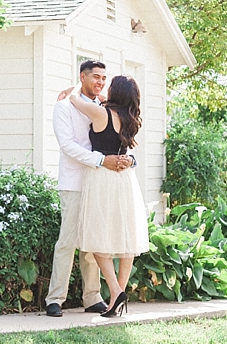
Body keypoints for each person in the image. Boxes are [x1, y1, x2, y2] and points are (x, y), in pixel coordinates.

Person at [45, 60, 135, 317]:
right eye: (95, 77)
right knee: (68, 241)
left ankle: (92, 297)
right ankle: (55, 298)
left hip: (102, 184)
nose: (100, 82)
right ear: (82, 77)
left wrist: (124, 160)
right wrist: (100, 160)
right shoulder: (63, 107)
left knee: (94, 241)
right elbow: (68, 145)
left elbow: (120, 141)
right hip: (75, 182)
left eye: (104, 78)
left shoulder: (105, 107)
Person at [68, 75, 149, 317]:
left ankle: (114, 290)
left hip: (102, 175)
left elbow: (75, 99)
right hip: (125, 179)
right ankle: (118, 296)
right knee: (125, 239)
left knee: (97, 235)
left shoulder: (100, 113)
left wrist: (75, 87)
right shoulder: (131, 119)